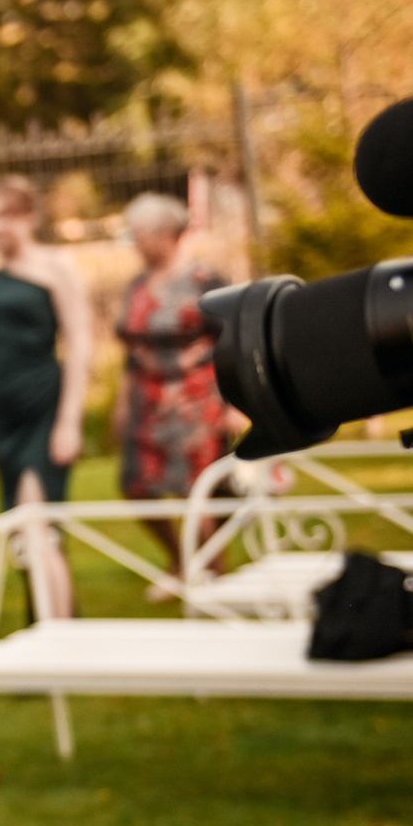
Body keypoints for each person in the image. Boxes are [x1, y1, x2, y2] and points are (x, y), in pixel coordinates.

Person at [0, 173, 90, 615]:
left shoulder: (56, 268)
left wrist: (69, 421)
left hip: (44, 405)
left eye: (1, 216)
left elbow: (81, 344)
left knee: (37, 518)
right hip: (5, 413)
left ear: (27, 217)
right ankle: (46, 619)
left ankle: (62, 635)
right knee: (21, 527)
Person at [116, 191, 233, 570]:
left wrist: (234, 403)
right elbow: (130, 350)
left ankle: (213, 572)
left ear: (166, 232)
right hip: (147, 401)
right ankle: (181, 562)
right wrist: (122, 402)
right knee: (135, 485)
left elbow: (231, 340)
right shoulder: (137, 285)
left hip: (195, 402)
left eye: (140, 233)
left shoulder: (205, 281)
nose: (134, 241)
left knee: (193, 492)